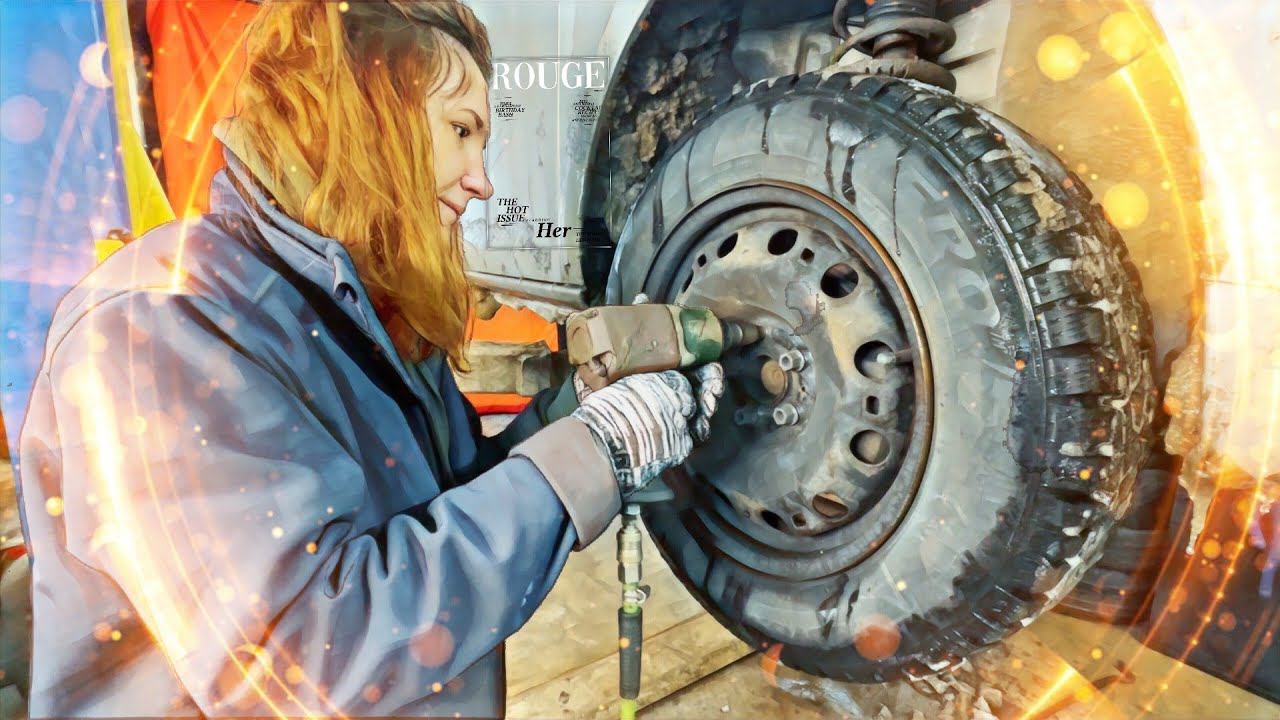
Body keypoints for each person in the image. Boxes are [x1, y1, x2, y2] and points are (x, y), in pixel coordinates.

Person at [15, 1, 722, 717]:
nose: (482, 181)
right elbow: (307, 654)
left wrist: (582, 411)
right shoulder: (159, 328)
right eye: (461, 131)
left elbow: (452, 501)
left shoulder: (369, 309)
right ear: (362, 114)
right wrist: (594, 454)